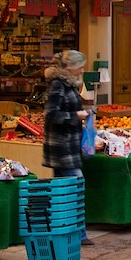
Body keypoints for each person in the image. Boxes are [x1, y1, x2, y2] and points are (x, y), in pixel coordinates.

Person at [43, 49, 94, 245]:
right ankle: (77, 232)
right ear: (70, 67)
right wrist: (76, 116)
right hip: (61, 146)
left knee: (65, 190)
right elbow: (51, 115)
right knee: (74, 187)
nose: (82, 71)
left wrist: (84, 112)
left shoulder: (70, 84)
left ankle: (67, 230)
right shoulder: (58, 85)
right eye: (79, 67)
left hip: (69, 145)